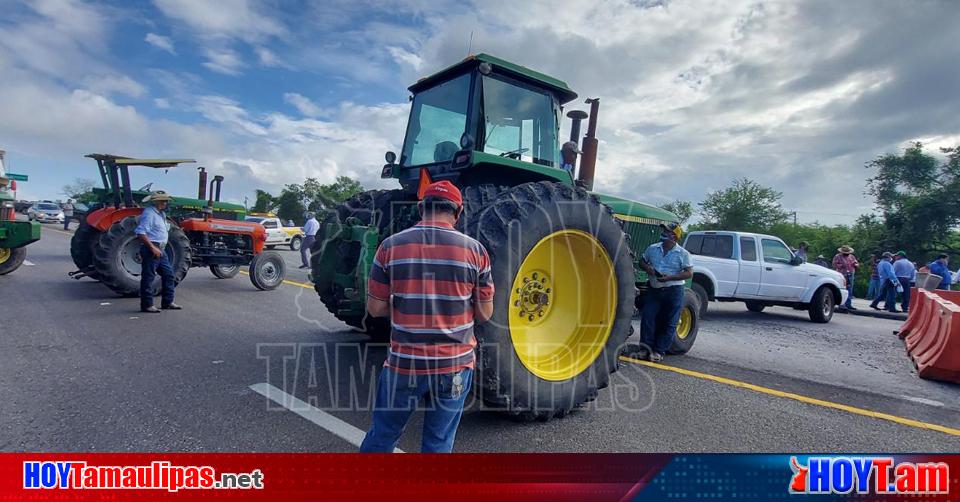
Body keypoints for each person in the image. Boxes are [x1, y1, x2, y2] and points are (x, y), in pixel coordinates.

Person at [360, 181, 494, 453]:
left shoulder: (389, 246)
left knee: (383, 435)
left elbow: (375, 308)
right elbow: (484, 313)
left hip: (404, 364)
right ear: (459, 211)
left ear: (422, 208)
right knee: (438, 443)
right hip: (455, 366)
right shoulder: (476, 251)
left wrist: (407, 309)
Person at [637, 222, 693, 363]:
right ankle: (645, 349)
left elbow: (688, 273)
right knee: (648, 318)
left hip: (673, 291)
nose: (663, 234)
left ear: (674, 236)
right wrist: (648, 268)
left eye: (666, 232)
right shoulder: (652, 248)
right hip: (654, 289)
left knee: (670, 322)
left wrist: (670, 277)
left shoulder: (683, 254)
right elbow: (641, 262)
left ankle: (658, 351)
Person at [135, 191, 180, 313]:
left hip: (161, 249)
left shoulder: (161, 214)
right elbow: (141, 232)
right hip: (152, 248)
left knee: (169, 275)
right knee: (149, 277)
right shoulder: (149, 214)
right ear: (157, 202)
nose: (166, 203)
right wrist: (152, 247)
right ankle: (147, 305)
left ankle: (167, 302)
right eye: (164, 201)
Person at [832, 245, 859, 310]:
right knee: (842, 289)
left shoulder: (852, 256)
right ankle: (841, 304)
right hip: (842, 274)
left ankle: (848, 304)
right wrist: (842, 265)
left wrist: (856, 265)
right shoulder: (837, 256)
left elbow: (856, 263)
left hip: (850, 274)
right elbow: (834, 264)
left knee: (849, 289)